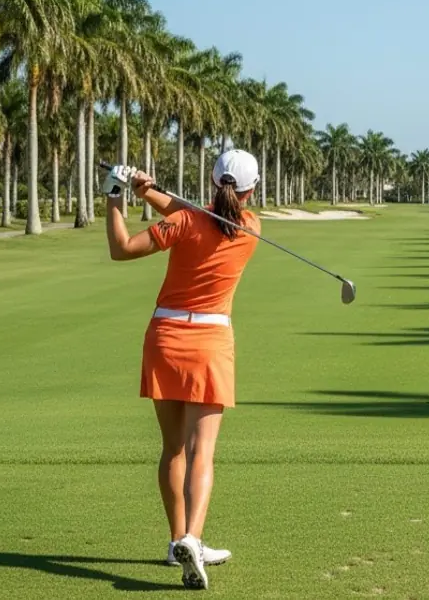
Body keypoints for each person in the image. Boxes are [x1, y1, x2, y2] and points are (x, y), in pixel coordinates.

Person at [101, 149, 262, 591]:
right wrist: (148, 191)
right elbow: (198, 214)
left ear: (212, 180)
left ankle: (178, 542)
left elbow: (122, 249)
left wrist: (116, 196)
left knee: (173, 448)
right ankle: (193, 537)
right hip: (210, 344)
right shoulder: (251, 228)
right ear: (251, 191)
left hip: (166, 340)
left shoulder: (185, 222)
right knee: (201, 451)